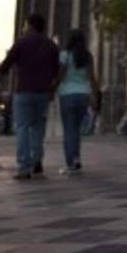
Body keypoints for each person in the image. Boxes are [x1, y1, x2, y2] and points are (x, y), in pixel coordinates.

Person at [0, 13, 59, 180]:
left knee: (22, 127)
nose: (23, 28)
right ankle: (37, 162)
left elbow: (5, 66)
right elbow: (56, 72)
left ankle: (24, 166)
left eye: (25, 25)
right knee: (38, 128)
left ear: (30, 25)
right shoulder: (51, 45)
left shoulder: (21, 43)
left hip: (24, 92)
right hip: (42, 93)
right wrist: (52, 90)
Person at [53, 29, 100, 174]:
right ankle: (76, 159)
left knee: (69, 130)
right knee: (76, 130)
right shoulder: (87, 56)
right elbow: (92, 78)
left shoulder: (65, 55)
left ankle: (71, 163)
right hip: (83, 95)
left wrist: (52, 89)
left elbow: (60, 76)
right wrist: (95, 96)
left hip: (67, 95)